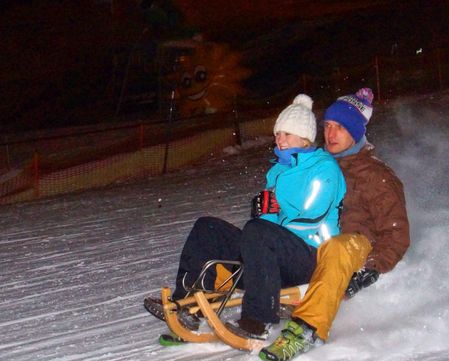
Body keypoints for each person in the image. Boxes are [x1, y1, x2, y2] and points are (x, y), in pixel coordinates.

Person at [144, 94, 346, 338]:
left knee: (257, 232)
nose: (279, 140)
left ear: (304, 139)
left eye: (286, 134)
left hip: (309, 256)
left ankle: (258, 321)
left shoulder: (323, 168)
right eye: (277, 133)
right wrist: (264, 213)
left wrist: (272, 212)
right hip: (273, 256)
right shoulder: (278, 171)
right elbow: (269, 224)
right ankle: (188, 305)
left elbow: (312, 216)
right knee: (208, 227)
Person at [259, 88, 410, 361]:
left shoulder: (376, 176)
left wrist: (372, 268)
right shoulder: (315, 164)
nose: (330, 134)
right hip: (314, 243)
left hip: (355, 245)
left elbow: (396, 232)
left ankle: (306, 329)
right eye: (327, 126)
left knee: (337, 247)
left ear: (355, 132)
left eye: (339, 128)